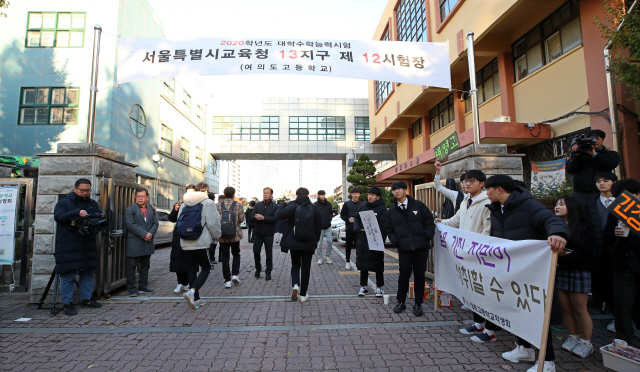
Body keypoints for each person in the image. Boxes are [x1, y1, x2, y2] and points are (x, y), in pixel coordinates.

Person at [484, 175, 569, 372]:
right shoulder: (497, 209)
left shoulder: (529, 205)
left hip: (532, 271)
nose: (485, 193)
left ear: (498, 190)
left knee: (538, 314)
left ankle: (547, 362)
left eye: (487, 189)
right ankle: (524, 348)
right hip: (510, 270)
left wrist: (558, 233)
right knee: (517, 310)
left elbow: (552, 220)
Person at [436, 170, 497, 342]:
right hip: (466, 255)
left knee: (485, 292)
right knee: (472, 290)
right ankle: (478, 324)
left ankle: (490, 331)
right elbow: (456, 220)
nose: (466, 184)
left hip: (480, 255)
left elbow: (487, 231)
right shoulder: (465, 201)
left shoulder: (487, 203)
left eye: (471, 181)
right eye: (464, 181)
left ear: (482, 183)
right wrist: (442, 223)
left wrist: (478, 250)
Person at [53, 178, 104, 315]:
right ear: (75, 188)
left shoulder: (93, 204)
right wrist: (76, 213)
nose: (85, 193)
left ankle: (87, 298)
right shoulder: (64, 203)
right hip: (68, 245)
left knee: (87, 272)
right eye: (82, 190)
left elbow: (98, 218)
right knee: (68, 274)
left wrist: (95, 220)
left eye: (88, 190)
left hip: (87, 243)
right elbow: (59, 217)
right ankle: (67, 303)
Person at [553, 196, 595, 358]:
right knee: (565, 307)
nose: (557, 207)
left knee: (580, 308)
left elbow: (586, 251)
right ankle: (572, 336)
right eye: (557, 204)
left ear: (572, 207)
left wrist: (563, 260)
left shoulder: (586, 226)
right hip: (561, 270)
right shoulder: (556, 225)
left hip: (578, 270)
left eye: (561, 204)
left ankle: (586, 342)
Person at [386, 181, 435, 317]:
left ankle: (418, 304)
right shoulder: (391, 211)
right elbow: (389, 229)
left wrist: (427, 236)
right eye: (394, 189)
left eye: (399, 189)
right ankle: (400, 302)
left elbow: (429, 221)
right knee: (404, 275)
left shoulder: (418, 205)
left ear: (405, 191)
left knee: (419, 276)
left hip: (421, 247)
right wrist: (396, 241)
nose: (396, 191)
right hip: (404, 248)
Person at [606, 178, 640, 343]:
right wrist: (616, 234)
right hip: (623, 266)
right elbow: (605, 237)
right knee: (623, 304)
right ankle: (623, 341)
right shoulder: (615, 213)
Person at [179, 182, 221, 309]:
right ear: (206, 192)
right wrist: (217, 235)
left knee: (192, 269)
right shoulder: (208, 203)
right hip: (201, 242)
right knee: (206, 267)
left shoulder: (184, 203)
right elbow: (213, 223)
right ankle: (192, 292)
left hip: (185, 241)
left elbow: (179, 222)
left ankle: (195, 299)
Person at [584, 172, 617, 329]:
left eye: (605, 181)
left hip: (618, 248)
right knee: (600, 280)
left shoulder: (622, 202)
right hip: (597, 247)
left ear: (614, 182)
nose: (601, 184)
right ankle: (603, 307)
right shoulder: (591, 203)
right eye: (598, 181)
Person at [278, 187, 322, 303]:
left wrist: (284, 203)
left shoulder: (292, 206)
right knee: (306, 268)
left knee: (295, 264)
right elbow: (319, 226)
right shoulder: (314, 207)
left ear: (296, 195)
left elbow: (280, 215)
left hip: (294, 241)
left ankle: (295, 285)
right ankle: (303, 295)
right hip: (309, 242)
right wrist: (315, 239)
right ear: (308, 195)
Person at [566, 129, 620, 203]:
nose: (595, 141)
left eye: (597, 139)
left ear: (603, 139)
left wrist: (595, 154)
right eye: (592, 139)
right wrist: (576, 155)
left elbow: (611, 165)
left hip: (600, 191)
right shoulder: (581, 155)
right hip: (581, 192)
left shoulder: (610, 154)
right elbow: (571, 170)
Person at [124, 188, 159, 297]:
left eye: (142, 196)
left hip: (147, 242)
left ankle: (143, 286)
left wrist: (150, 234)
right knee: (131, 267)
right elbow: (130, 224)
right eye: (138, 196)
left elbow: (155, 223)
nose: (140, 198)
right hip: (134, 241)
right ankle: (131, 288)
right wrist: (144, 234)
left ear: (147, 197)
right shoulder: (130, 209)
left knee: (145, 265)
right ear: (135, 197)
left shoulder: (152, 209)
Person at [353, 187, 387, 297]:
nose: (370, 197)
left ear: (378, 197)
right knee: (363, 265)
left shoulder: (382, 209)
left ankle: (379, 288)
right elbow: (357, 218)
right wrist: (356, 227)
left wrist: (380, 238)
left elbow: (384, 225)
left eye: (373, 195)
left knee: (378, 264)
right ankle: (363, 287)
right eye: (369, 194)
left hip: (376, 241)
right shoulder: (363, 206)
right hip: (363, 240)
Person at [217, 186, 245, 288]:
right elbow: (241, 219)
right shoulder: (238, 205)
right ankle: (235, 274)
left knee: (225, 257)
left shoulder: (218, 205)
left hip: (222, 235)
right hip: (235, 234)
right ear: (234, 195)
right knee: (236, 254)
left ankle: (227, 280)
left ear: (224, 194)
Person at [250, 187, 279, 280]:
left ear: (271, 194)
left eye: (267, 193)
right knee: (256, 251)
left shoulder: (275, 206)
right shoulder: (258, 205)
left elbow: (275, 218)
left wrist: (264, 218)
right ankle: (258, 269)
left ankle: (268, 271)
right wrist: (255, 216)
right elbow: (251, 216)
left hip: (268, 233)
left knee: (268, 253)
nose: (265, 194)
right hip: (257, 232)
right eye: (264, 193)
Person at [340, 187, 364, 270]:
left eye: (357, 194)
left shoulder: (362, 204)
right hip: (349, 228)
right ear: (351, 194)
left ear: (359, 194)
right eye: (354, 194)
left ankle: (359, 263)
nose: (356, 195)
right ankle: (347, 261)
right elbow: (342, 215)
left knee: (359, 247)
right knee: (348, 246)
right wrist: (348, 219)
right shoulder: (347, 204)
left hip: (359, 229)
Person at [314, 190, 334, 265]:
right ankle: (320, 258)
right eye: (321, 195)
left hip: (328, 226)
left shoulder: (328, 204)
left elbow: (331, 213)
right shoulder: (315, 205)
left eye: (324, 195)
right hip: (319, 227)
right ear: (318, 195)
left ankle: (327, 256)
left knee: (330, 241)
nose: (323, 196)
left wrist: (329, 218)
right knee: (319, 244)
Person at [207, 192, 218, 265]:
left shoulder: (203, 205)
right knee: (213, 245)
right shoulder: (214, 206)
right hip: (213, 227)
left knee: (207, 246)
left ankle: (208, 259)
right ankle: (212, 258)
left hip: (206, 228)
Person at [216, 195, 226, 263]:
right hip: (218, 226)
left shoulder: (225, 206)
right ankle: (217, 257)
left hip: (224, 226)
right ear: (219, 199)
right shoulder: (216, 206)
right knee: (217, 244)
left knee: (222, 244)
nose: (221, 201)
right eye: (221, 199)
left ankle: (221, 257)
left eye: (223, 199)